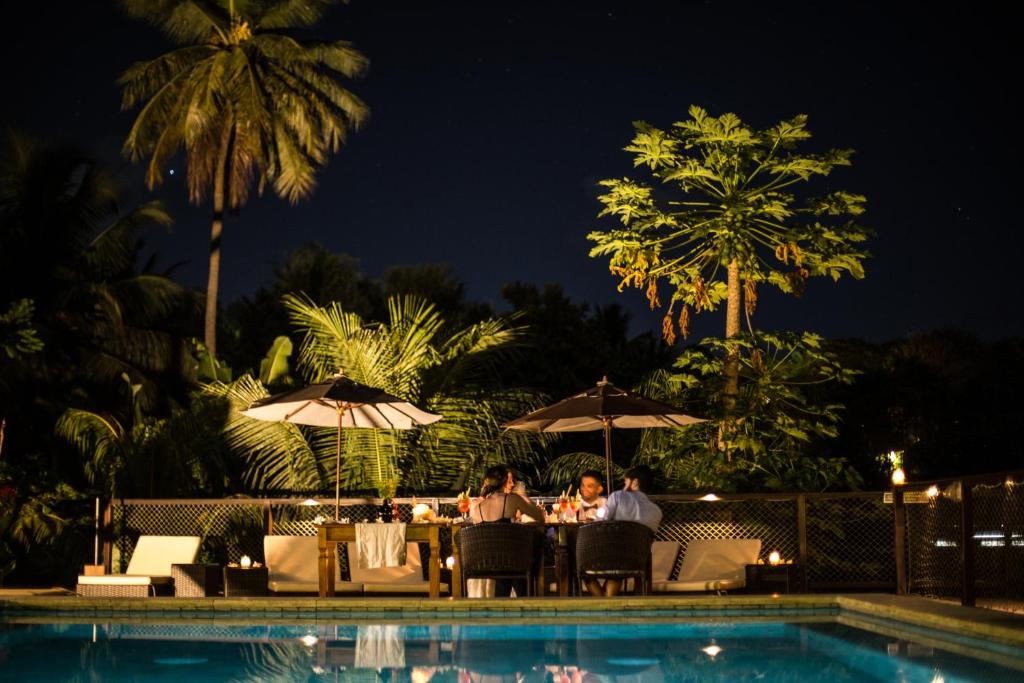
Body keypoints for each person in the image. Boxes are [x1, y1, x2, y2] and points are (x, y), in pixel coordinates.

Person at [468, 464, 546, 597]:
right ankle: (527, 598)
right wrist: (523, 497)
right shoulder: (511, 499)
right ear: (504, 481)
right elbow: (540, 517)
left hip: (486, 561)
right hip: (509, 560)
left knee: (506, 560)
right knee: (529, 548)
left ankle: (503, 602)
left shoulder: (478, 507)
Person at [585, 465, 661, 597]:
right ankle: (607, 603)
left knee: (581, 566)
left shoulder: (618, 496)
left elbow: (600, 524)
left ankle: (604, 604)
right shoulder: (656, 511)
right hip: (638, 561)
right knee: (618, 568)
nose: (624, 486)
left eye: (626, 482)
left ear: (635, 482)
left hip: (609, 558)